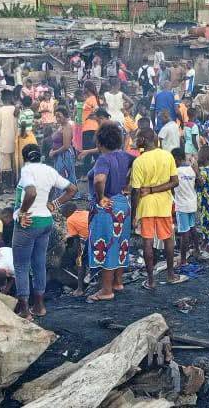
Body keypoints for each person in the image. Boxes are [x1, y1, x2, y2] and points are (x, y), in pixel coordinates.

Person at [13, 144, 77, 318]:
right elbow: (72, 189)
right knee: (39, 263)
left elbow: (31, 192)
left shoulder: (27, 171)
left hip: (27, 223)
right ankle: (39, 306)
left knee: (21, 266)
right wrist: (54, 204)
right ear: (40, 156)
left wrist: (23, 212)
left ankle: (25, 310)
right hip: (45, 222)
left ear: (24, 157)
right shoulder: (48, 170)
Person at [84, 122, 135, 302]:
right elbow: (137, 161)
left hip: (108, 208)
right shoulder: (125, 156)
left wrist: (101, 197)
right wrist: (128, 182)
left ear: (99, 142)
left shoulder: (103, 159)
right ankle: (117, 282)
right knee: (121, 243)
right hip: (123, 204)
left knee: (106, 246)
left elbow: (99, 180)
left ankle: (106, 290)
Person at [131, 127, 186, 290]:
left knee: (147, 242)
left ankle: (151, 281)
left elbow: (135, 191)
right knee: (168, 239)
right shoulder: (167, 155)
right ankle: (170, 275)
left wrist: (133, 215)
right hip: (164, 205)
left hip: (146, 207)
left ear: (143, 140)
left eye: (137, 138)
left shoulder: (139, 161)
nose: (136, 141)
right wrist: (156, 190)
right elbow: (174, 182)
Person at [173, 148, 199, 267]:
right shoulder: (191, 170)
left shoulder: (176, 171)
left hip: (182, 205)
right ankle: (197, 250)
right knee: (192, 227)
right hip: (192, 203)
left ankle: (183, 260)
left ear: (176, 159)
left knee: (184, 232)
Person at [0, 91, 19, 187]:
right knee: (16, 164)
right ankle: (16, 183)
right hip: (17, 142)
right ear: (11, 99)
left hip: (4, 143)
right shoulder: (17, 110)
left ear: (2, 100)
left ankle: (7, 186)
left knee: (5, 166)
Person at [61, 202, 90, 296]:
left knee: (80, 263)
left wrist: (78, 253)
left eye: (64, 214)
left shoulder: (70, 220)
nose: (64, 217)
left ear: (68, 212)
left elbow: (76, 238)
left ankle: (80, 289)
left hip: (88, 240)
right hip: (99, 238)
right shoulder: (86, 212)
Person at [49, 107, 77, 200]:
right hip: (59, 155)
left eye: (59, 116)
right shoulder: (61, 126)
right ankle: (61, 195)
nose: (57, 119)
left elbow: (66, 145)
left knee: (64, 175)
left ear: (65, 116)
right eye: (56, 116)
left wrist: (54, 152)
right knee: (60, 174)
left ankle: (66, 195)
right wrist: (52, 151)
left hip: (65, 156)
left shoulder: (67, 127)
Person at [16, 96, 39, 170]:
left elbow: (23, 123)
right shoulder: (31, 112)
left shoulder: (23, 113)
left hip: (24, 136)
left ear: (22, 103)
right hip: (31, 135)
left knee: (24, 157)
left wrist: (22, 134)